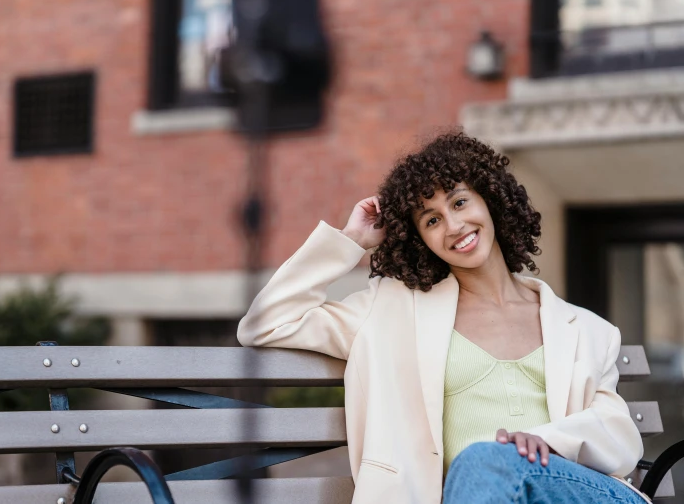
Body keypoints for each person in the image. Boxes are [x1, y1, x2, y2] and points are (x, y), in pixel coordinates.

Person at [237, 132, 650, 503]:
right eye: (432, 220)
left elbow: (618, 434)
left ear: (489, 199)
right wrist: (351, 241)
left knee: (487, 460)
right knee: (481, 464)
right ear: (420, 240)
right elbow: (266, 322)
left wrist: (547, 442)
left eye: (459, 201)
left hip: (571, 493)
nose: (454, 225)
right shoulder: (390, 309)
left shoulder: (590, 331)